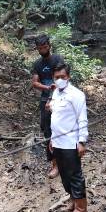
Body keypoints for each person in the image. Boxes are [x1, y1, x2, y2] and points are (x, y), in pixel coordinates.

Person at [48, 63, 89, 212]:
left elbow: (82, 118)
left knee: (74, 175)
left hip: (71, 142)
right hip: (57, 141)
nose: (59, 80)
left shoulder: (76, 94)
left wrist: (81, 141)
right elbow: (55, 117)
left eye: (62, 77)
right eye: (56, 77)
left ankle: (81, 209)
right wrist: (52, 138)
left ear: (68, 77)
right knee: (64, 175)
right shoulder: (56, 93)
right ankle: (73, 202)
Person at [31, 35, 65, 178]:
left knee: (62, 128)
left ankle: (66, 161)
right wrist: (47, 87)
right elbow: (35, 83)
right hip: (45, 100)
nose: (42, 50)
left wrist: (52, 96)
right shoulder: (37, 64)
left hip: (60, 99)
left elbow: (62, 79)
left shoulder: (57, 59)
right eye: (40, 48)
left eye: (45, 47)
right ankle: (55, 164)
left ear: (49, 45)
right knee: (47, 131)